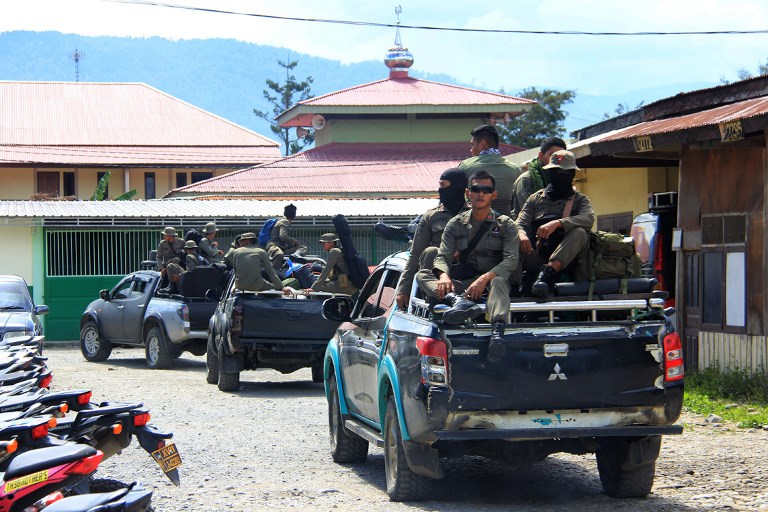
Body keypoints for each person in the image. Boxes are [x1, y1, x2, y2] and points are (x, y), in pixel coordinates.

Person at [416, 170, 519, 363]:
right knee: (422, 275)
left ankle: (497, 332)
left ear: (493, 194)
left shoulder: (506, 224)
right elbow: (442, 255)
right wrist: (444, 276)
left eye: (486, 190)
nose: (481, 193)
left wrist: (484, 278)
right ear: (467, 192)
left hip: (493, 282)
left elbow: (511, 259)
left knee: (497, 281)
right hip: (466, 283)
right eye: (476, 189)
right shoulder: (456, 224)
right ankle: (456, 301)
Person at [516, 150, 595, 298]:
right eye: (556, 172)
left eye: (566, 173)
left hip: (569, 259)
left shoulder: (580, 200)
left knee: (580, 232)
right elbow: (520, 222)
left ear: (572, 174)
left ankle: (547, 274)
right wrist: (521, 235)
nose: (561, 176)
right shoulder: (536, 199)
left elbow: (588, 218)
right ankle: (508, 285)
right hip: (538, 254)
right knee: (510, 240)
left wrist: (558, 223)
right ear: (550, 172)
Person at [395, 167, 469, 310]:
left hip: (466, 273)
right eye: (439, 185)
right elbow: (415, 254)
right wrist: (403, 290)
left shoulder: (475, 213)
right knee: (431, 251)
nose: (440, 190)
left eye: (444, 185)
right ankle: (438, 299)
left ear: (458, 186)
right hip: (435, 276)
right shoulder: (431, 216)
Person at [458, 124, 522, 217]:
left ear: (483, 144)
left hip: (473, 225)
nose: (471, 150)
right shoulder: (514, 169)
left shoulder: (465, 166)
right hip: (504, 225)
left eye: (472, 145)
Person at [511, 137, 568, 219]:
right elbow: (528, 213)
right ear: (541, 155)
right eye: (552, 155)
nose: (556, 160)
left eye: (561, 157)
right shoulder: (526, 179)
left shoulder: (563, 179)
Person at [266, 204, 307, 272]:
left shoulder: (282, 220)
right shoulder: (284, 221)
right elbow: (283, 236)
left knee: (302, 248)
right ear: (294, 215)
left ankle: (295, 256)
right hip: (273, 246)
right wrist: (294, 241)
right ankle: (273, 274)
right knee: (279, 254)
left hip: (282, 248)